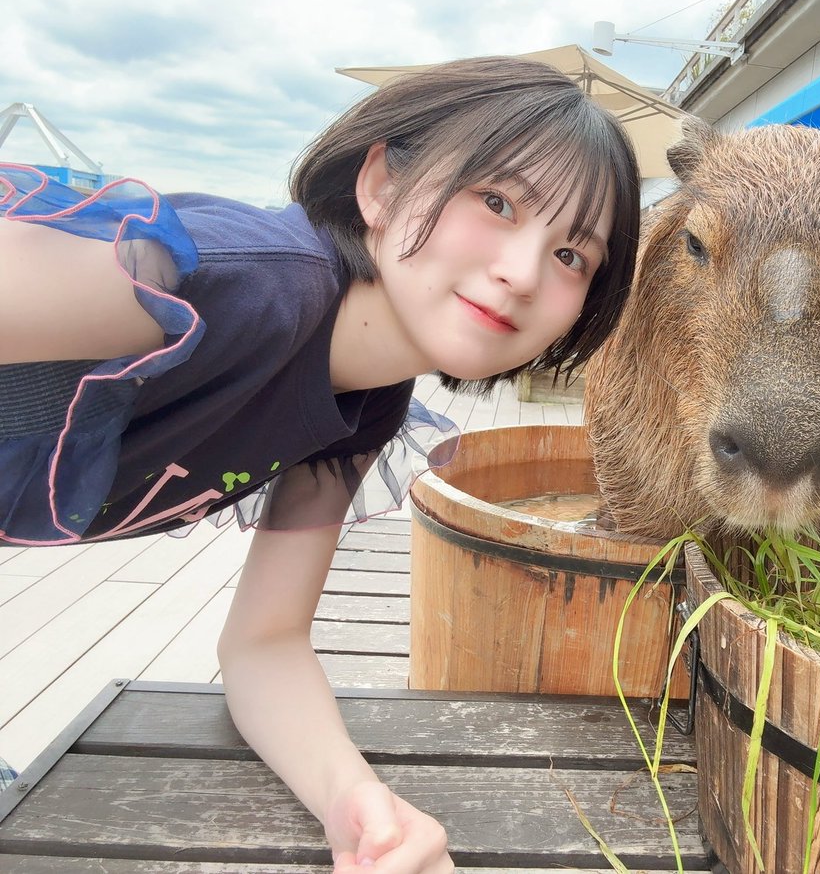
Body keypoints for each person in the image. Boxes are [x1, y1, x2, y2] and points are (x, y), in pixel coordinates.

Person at [0, 55, 641, 872]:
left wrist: (358, 805)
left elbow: (264, 644)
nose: (521, 271)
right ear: (379, 185)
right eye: (497, 201)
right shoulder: (239, 282)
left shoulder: (367, 401)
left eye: (571, 257)